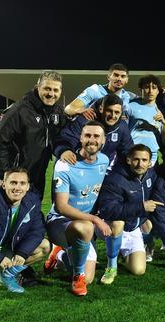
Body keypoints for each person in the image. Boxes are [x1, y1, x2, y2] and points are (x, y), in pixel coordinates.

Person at [45, 121, 111, 296]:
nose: (92, 140)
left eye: (96, 136)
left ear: (103, 140)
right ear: (80, 138)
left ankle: (59, 254)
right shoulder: (65, 164)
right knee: (86, 226)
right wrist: (95, 219)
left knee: (91, 277)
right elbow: (61, 206)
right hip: (60, 222)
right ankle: (77, 277)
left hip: (84, 224)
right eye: (87, 135)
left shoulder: (104, 161)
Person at [96, 144, 165, 285]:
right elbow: (108, 211)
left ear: (150, 163)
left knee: (138, 270)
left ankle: (120, 252)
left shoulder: (150, 175)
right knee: (118, 223)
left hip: (132, 228)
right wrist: (141, 207)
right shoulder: (115, 179)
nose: (140, 164)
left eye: (144, 160)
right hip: (108, 226)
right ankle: (111, 266)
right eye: (136, 159)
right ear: (128, 160)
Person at [0, 70, 68, 199]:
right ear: (37, 88)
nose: (51, 94)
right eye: (47, 89)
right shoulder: (19, 110)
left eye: (55, 90)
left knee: (32, 215)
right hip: (17, 179)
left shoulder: (56, 113)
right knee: (10, 216)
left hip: (38, 177)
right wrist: (6, 176)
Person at [0, 168, 50, 293]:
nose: (17, 188)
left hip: (9, 248)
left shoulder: (33, 202)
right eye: (13, 183)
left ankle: (6, 276)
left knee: (44, 246)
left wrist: (22, 252)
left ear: (27, 186)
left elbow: (37, 231)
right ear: (3, 184)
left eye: (22, 183)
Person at [54, 93, 133, 169]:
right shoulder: (85, 120)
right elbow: (66, 138)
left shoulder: (122, 126)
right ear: (101, 108)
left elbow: (127, 150)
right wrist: (64, 150)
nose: (113, 116)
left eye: (117, 112)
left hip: (102, 170)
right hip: (77, 166)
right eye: (109, 111)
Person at [64, 63, 136, 120]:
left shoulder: (127, 96)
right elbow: (68, 109)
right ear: (108, 77)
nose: (119, 79)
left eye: (123, 76)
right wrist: (80, 110)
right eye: (116, 75)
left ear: (127, 80)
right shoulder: (94, 90)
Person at [127, 74, 165, 166]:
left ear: (158, 91)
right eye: (146, 87)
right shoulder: (130, 107)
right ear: (140, 89)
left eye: (154, 88)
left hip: (153, 156)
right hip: (134, 154)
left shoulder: (161, 111)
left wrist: (164, 124)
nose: (150, 91)